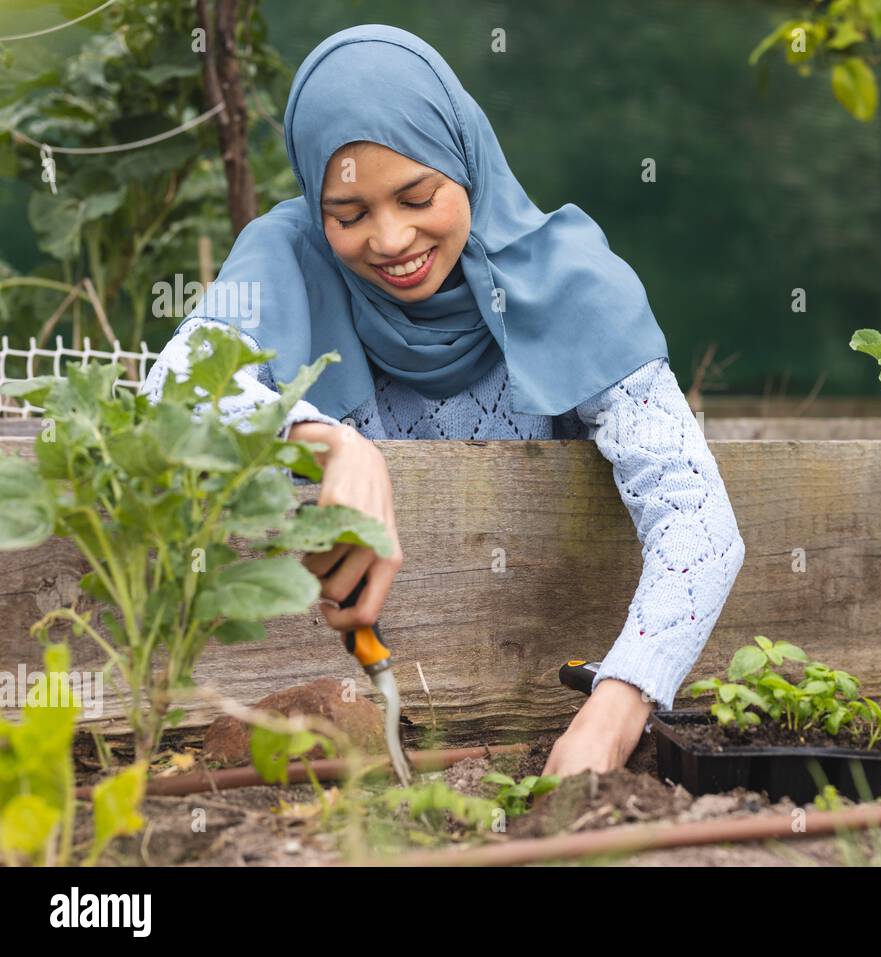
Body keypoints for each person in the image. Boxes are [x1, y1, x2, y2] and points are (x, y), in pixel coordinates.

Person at [141, 24, 745, 776]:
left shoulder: (568, 278)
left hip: (527, 696)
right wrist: (323, 440)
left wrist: (616, 708)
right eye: (349, 214)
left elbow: (696, 515)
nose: (391, 239)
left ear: (464, 158)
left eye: (417, 196)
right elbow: (171, 391)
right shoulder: (287, 254)